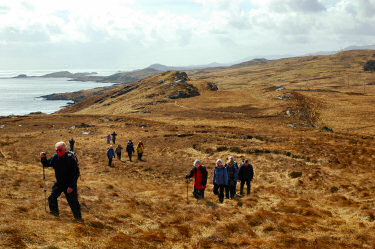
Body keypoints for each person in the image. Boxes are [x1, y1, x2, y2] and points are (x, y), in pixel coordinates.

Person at [40, 142, 82, 221]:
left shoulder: (70, 159)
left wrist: (71, 186)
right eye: (56, 150)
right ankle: (54, 213)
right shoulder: (55, 157)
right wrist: (43, 158)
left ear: (65, 149)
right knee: (52, 198)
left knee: (73, 202)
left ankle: (78, 218)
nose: (58, 152)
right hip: (59, 183)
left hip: (69, 184)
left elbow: (76, 174)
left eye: (60, 150)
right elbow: (46, 164)